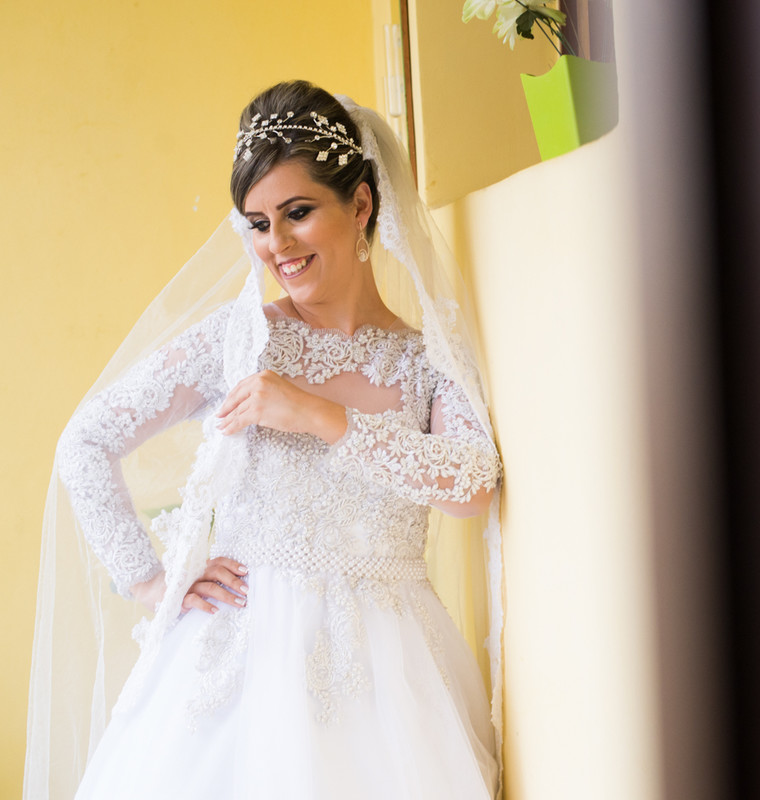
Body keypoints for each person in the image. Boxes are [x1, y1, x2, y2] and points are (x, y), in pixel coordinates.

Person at [26, 81, 503, 799]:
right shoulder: (239, 340)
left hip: (392, 682)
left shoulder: (426, 357)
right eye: (257, 223)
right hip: (243, 669)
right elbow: (84, 441)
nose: (276, 245)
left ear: (361, 205)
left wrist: (319, 415)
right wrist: (153, 581)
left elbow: (471, 485)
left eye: (298, 213)